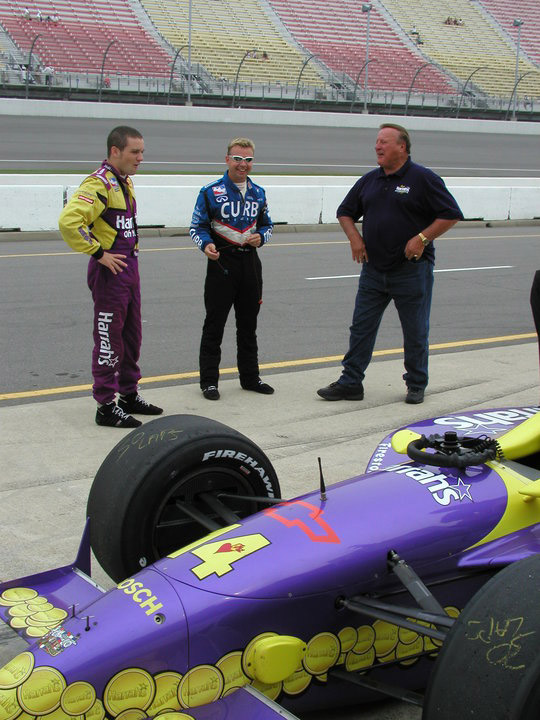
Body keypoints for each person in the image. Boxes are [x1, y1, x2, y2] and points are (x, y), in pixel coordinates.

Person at [317, 123, 463, 405]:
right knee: (361, 328)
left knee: (415, 330)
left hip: (411, 270)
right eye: (377, 142)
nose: (377, 146)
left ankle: (416, 384)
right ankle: (351, 383)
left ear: (402, 147)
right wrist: (355, 239)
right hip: (373, 270)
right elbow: (345, 212)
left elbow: (450, 214)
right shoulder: (370, 180)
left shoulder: (423, 178)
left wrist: (422, 238)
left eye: (384, 142)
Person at [59, 126, 163, 428]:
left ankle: (128, 394)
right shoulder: (99, 184)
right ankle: (105, 405)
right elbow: (69, 221)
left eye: (142, 152)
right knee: (109, 339)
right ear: (115, 151)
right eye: (135, 152)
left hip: (129, 270)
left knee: (132, 337)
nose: (140, 158)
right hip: (110, 272)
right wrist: (98, 252)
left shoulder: (124, 181)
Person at [190, 137, 274, 401]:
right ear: (227, 159)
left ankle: (250, 378)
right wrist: (206, 245)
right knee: (214, 325)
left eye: (248, 160)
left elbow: (268, 225)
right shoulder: (210, 191)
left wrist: (262, 237)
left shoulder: (259, 192)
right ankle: (209, 382)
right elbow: (197, 227)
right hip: (221, 264)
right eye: (238, 159)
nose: (242, 164)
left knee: (248, 325)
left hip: (250, 264)